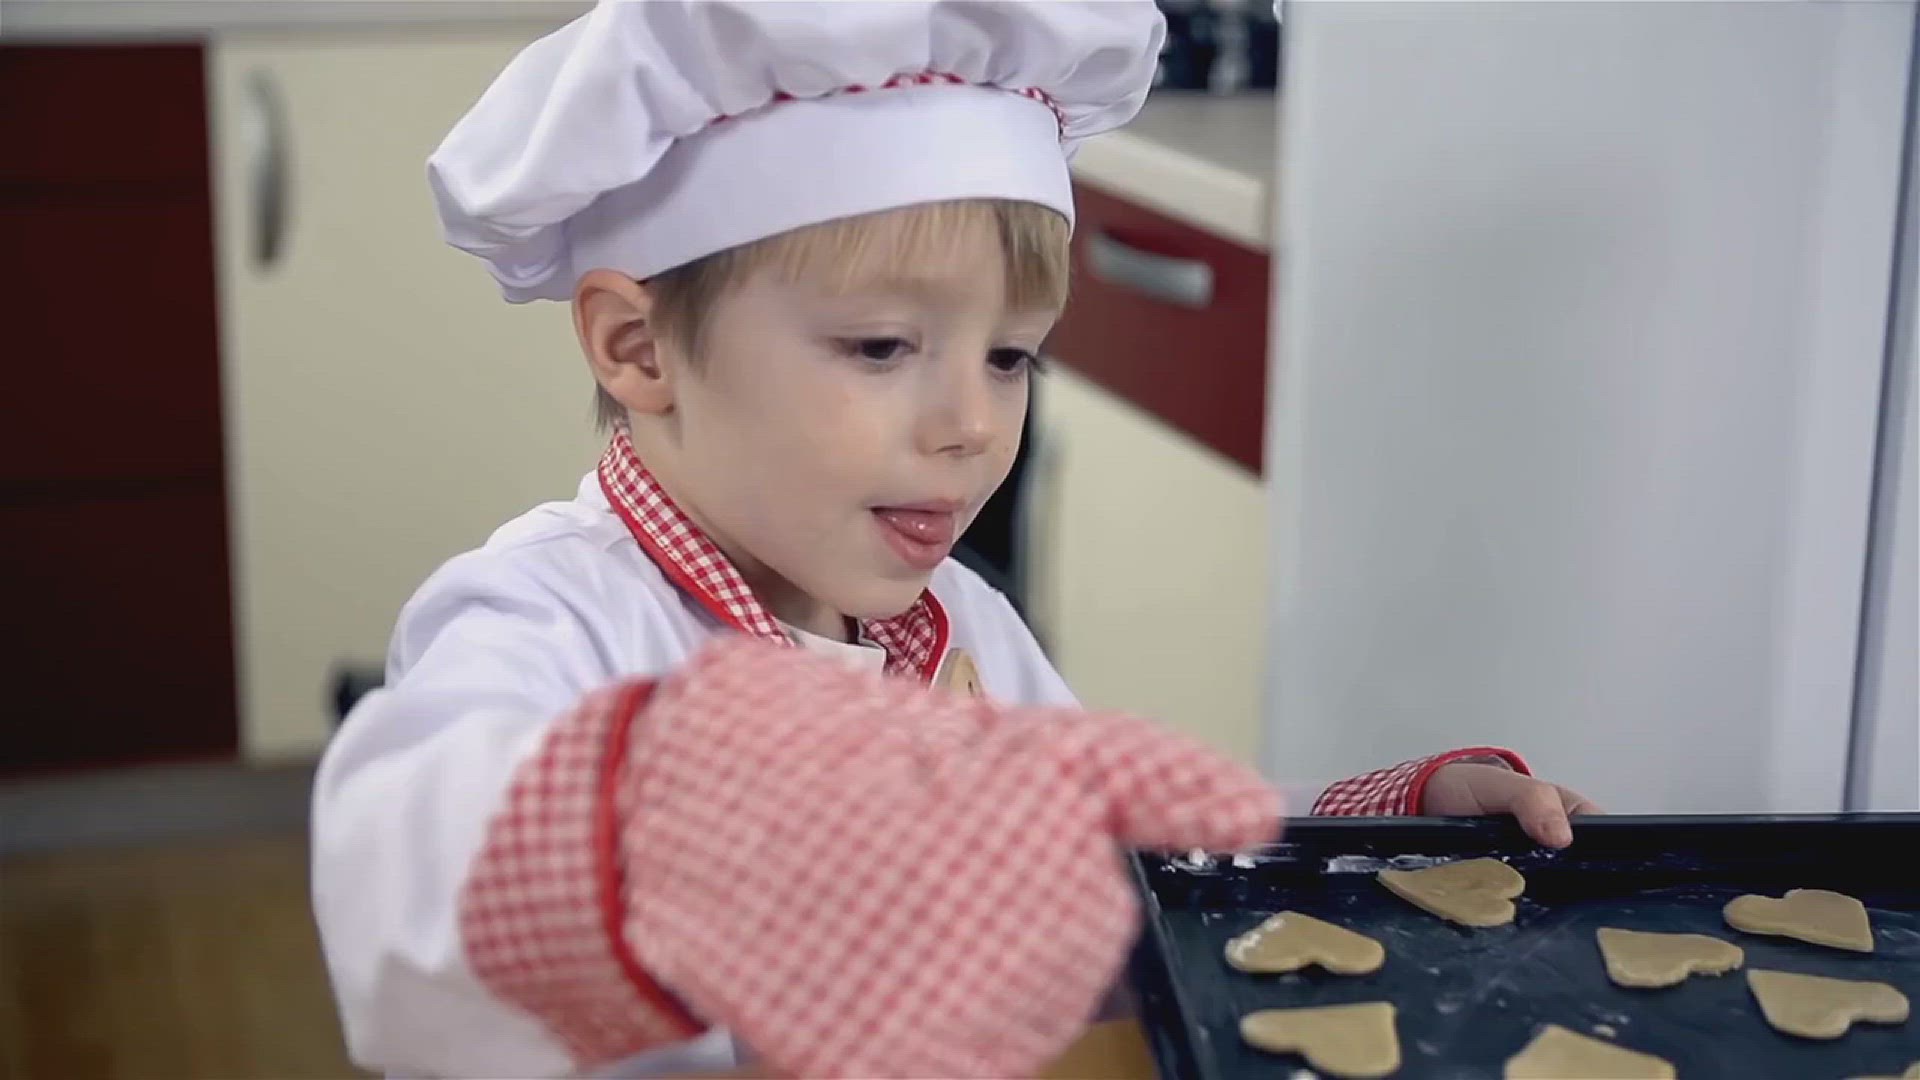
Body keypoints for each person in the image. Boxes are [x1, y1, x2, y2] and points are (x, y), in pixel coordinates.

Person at [311, 3, 1598, 1078]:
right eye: (881, 347)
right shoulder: (544, 618)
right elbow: (403, 893)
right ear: (638, 347)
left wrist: (1389, 842)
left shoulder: (955, 628)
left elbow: (1118, 885)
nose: (974, 424)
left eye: (1012, 356)